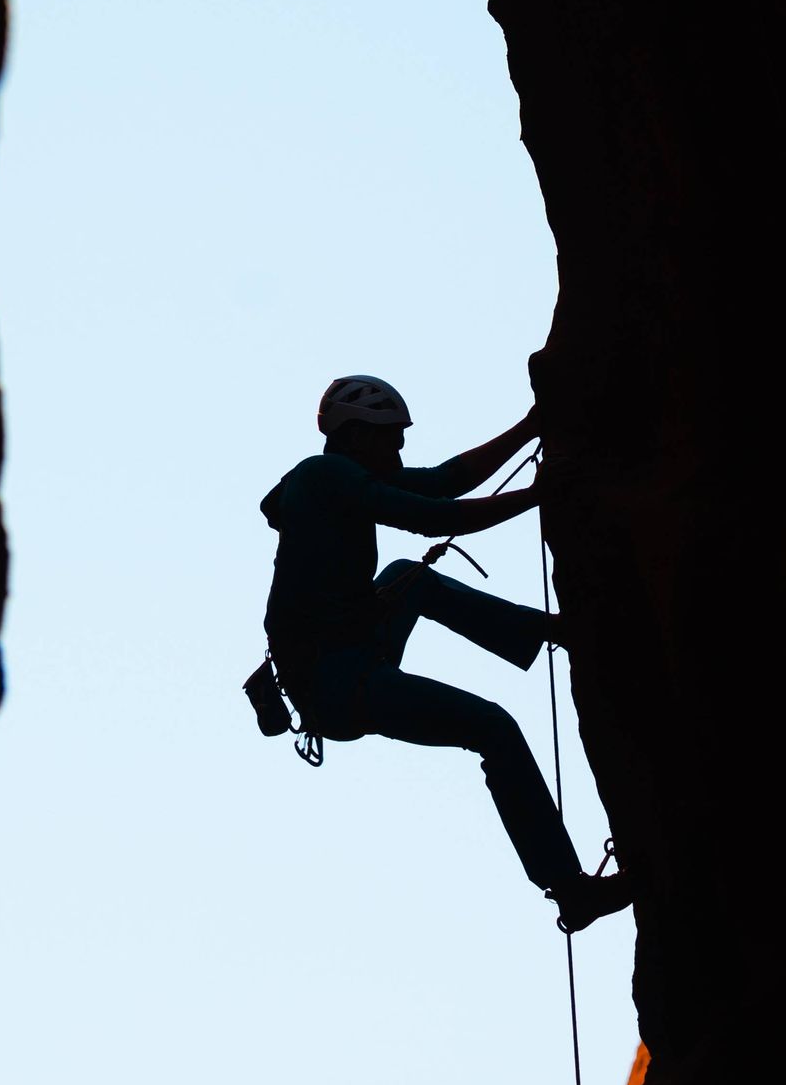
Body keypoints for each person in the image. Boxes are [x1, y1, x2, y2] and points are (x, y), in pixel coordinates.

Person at [260, 374, 633, 934]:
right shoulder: (325, 475)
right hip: (338, 681)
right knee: (493, 727)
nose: (401, 450)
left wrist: (530, 428)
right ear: (359, 436)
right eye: (392, 438)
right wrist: (537, 495)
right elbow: (432, 515)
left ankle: (554, 631)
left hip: (349, 657)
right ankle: (570, 889)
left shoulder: (337, 476)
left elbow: (440, 484)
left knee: (408, 577)